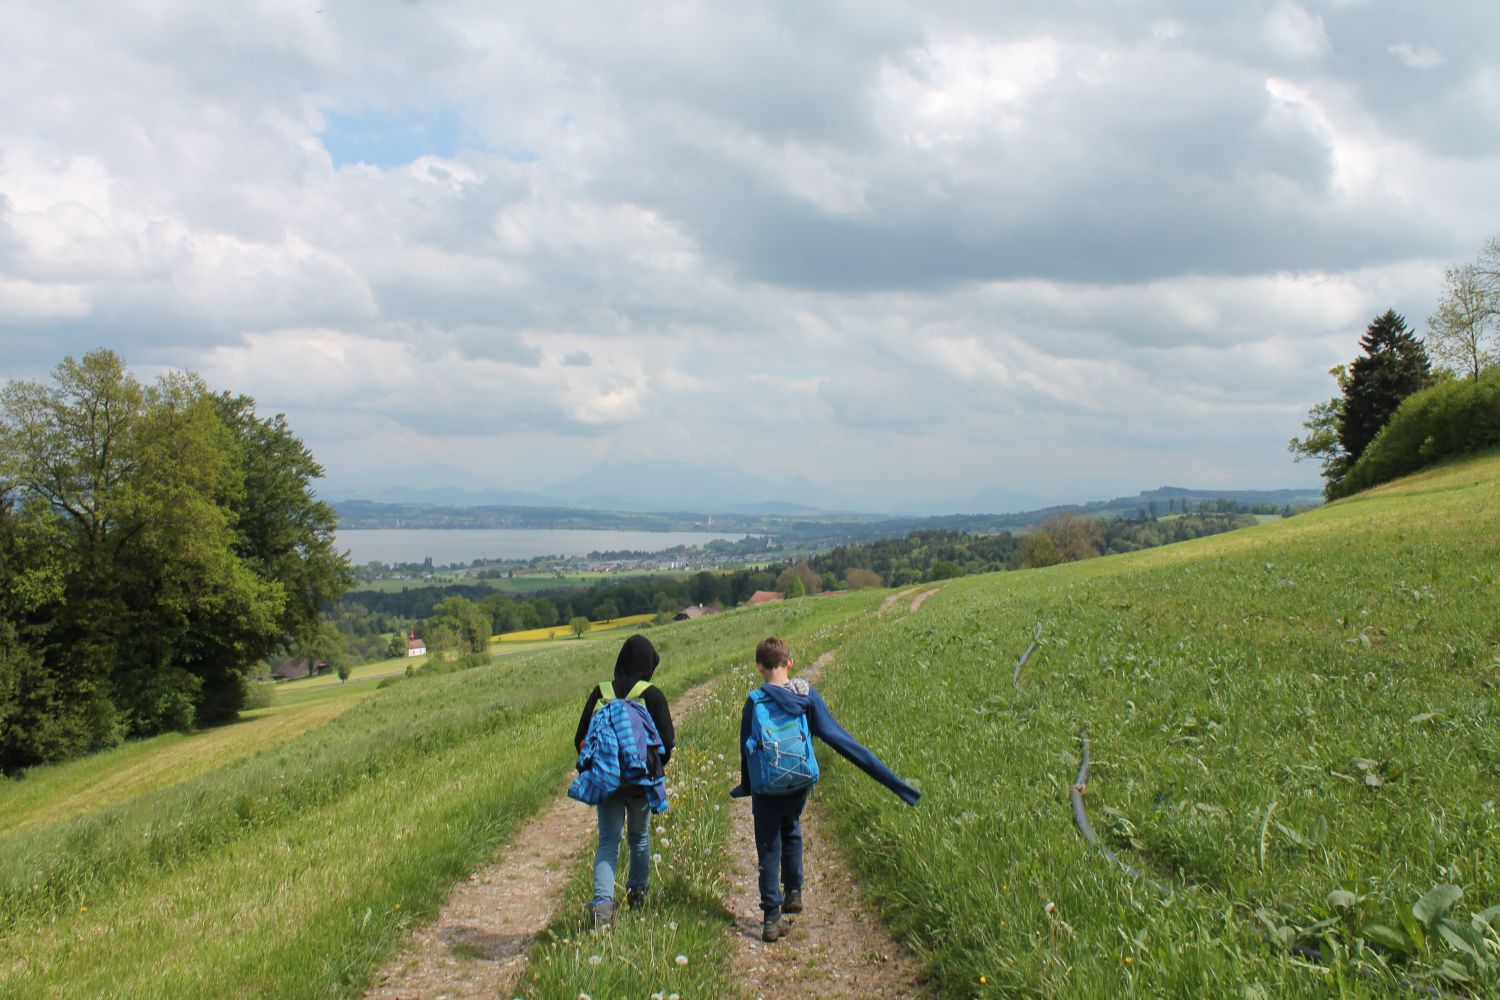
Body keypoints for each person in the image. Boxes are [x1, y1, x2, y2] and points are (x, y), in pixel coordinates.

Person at [731, 636, 920, 943]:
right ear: (790, 663)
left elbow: (746, 748)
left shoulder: (754, 701)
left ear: (759, 666)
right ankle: (794, 891)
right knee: (791, 828)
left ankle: (771, 919)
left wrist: (748, 786)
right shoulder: (806, 696)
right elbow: (838, 737)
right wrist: (896, 784)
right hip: (798, 784)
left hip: (766, 789)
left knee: (768, 846)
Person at [574, 634, 675, 927]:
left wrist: (602, 767)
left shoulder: (601, 692)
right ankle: (638, 895)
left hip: (607, 783)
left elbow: (580, 739)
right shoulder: (652, 695)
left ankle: (602, 909)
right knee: (639, 838)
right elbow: (667, 743)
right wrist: (648, 768)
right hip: (641, 783)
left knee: (608, 842)